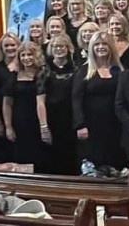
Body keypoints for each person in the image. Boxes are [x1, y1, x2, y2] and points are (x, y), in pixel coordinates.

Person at [72, 31, 128, 172]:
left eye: (104, 44)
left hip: (114, 126)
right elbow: (76, 98)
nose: (101, 47)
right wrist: (80, 124)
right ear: (91, 47)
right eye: (97, 44)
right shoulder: (84, 70)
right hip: (91, 127)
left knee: (114, 163)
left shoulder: (119, 70)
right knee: (92, 166)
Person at [2, 41, 51, 171]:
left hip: (37, 120)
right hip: (19, 122)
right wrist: (8, 127)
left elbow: (40, 101)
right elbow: (7, 103)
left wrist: (44, 127)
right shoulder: (13, 75)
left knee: (40, 157)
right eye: (23, 55)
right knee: (20, 157)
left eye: (30, 54)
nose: (26, 58)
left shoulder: (42, 73)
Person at [44, 34, 78, 174]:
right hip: (51, 115)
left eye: (62, 46)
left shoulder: (76, 67)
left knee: (70, 151)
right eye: (55, 46)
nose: (59, 49)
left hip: (70, 115)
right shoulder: (45, 68)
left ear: (68, 48)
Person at [0, 33, 20, 163]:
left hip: (22, 112)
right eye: (6, 45)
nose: (10, 48)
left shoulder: (24, 66)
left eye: (13, 45)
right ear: (1, 48)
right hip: (2, 112)